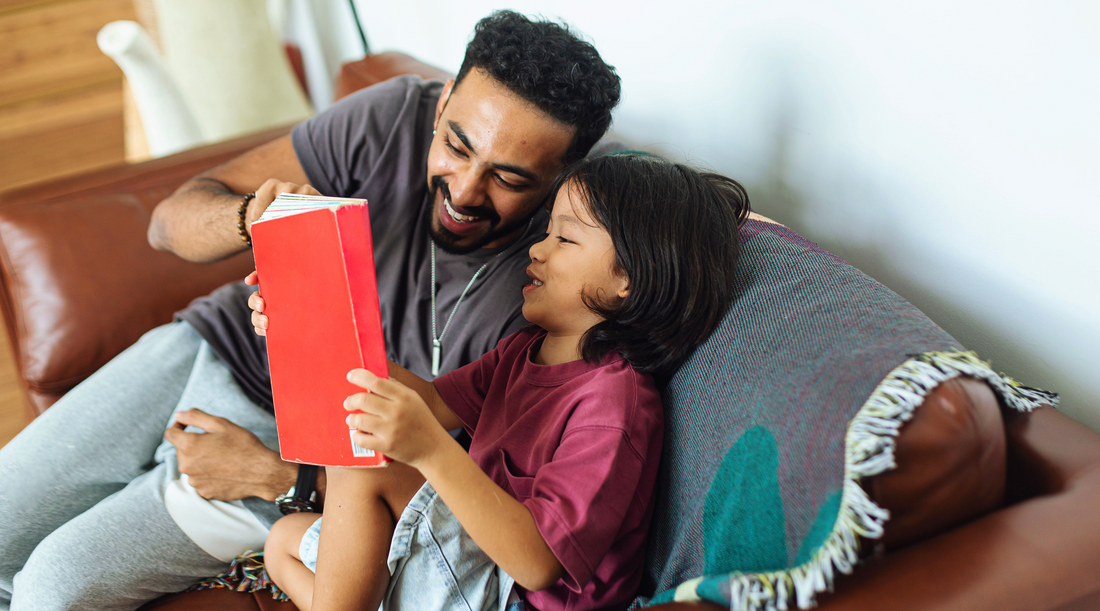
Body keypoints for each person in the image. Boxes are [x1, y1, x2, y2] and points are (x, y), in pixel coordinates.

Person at [0, 11, 619, 611]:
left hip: (304, 451)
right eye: (456, 145)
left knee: (50, 590)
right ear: (445, 99)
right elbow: (169, 222)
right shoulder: (395, 114)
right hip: (215, 343)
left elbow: (463, 514)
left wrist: (280, 480)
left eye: (508, 180)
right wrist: (252, 220)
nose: (463, 191)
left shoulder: (554, 285)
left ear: (561, 178)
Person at [261, 153, 751, 611]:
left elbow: (538, 565)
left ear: (631, 278)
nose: (536, 248)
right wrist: (309, 326)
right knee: (281, 544)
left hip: (512, 595)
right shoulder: (523, 351)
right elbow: (430, 402)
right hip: (470, 562)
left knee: (361, 462)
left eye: (565, 238)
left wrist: (431, 452)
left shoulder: (614, 405)